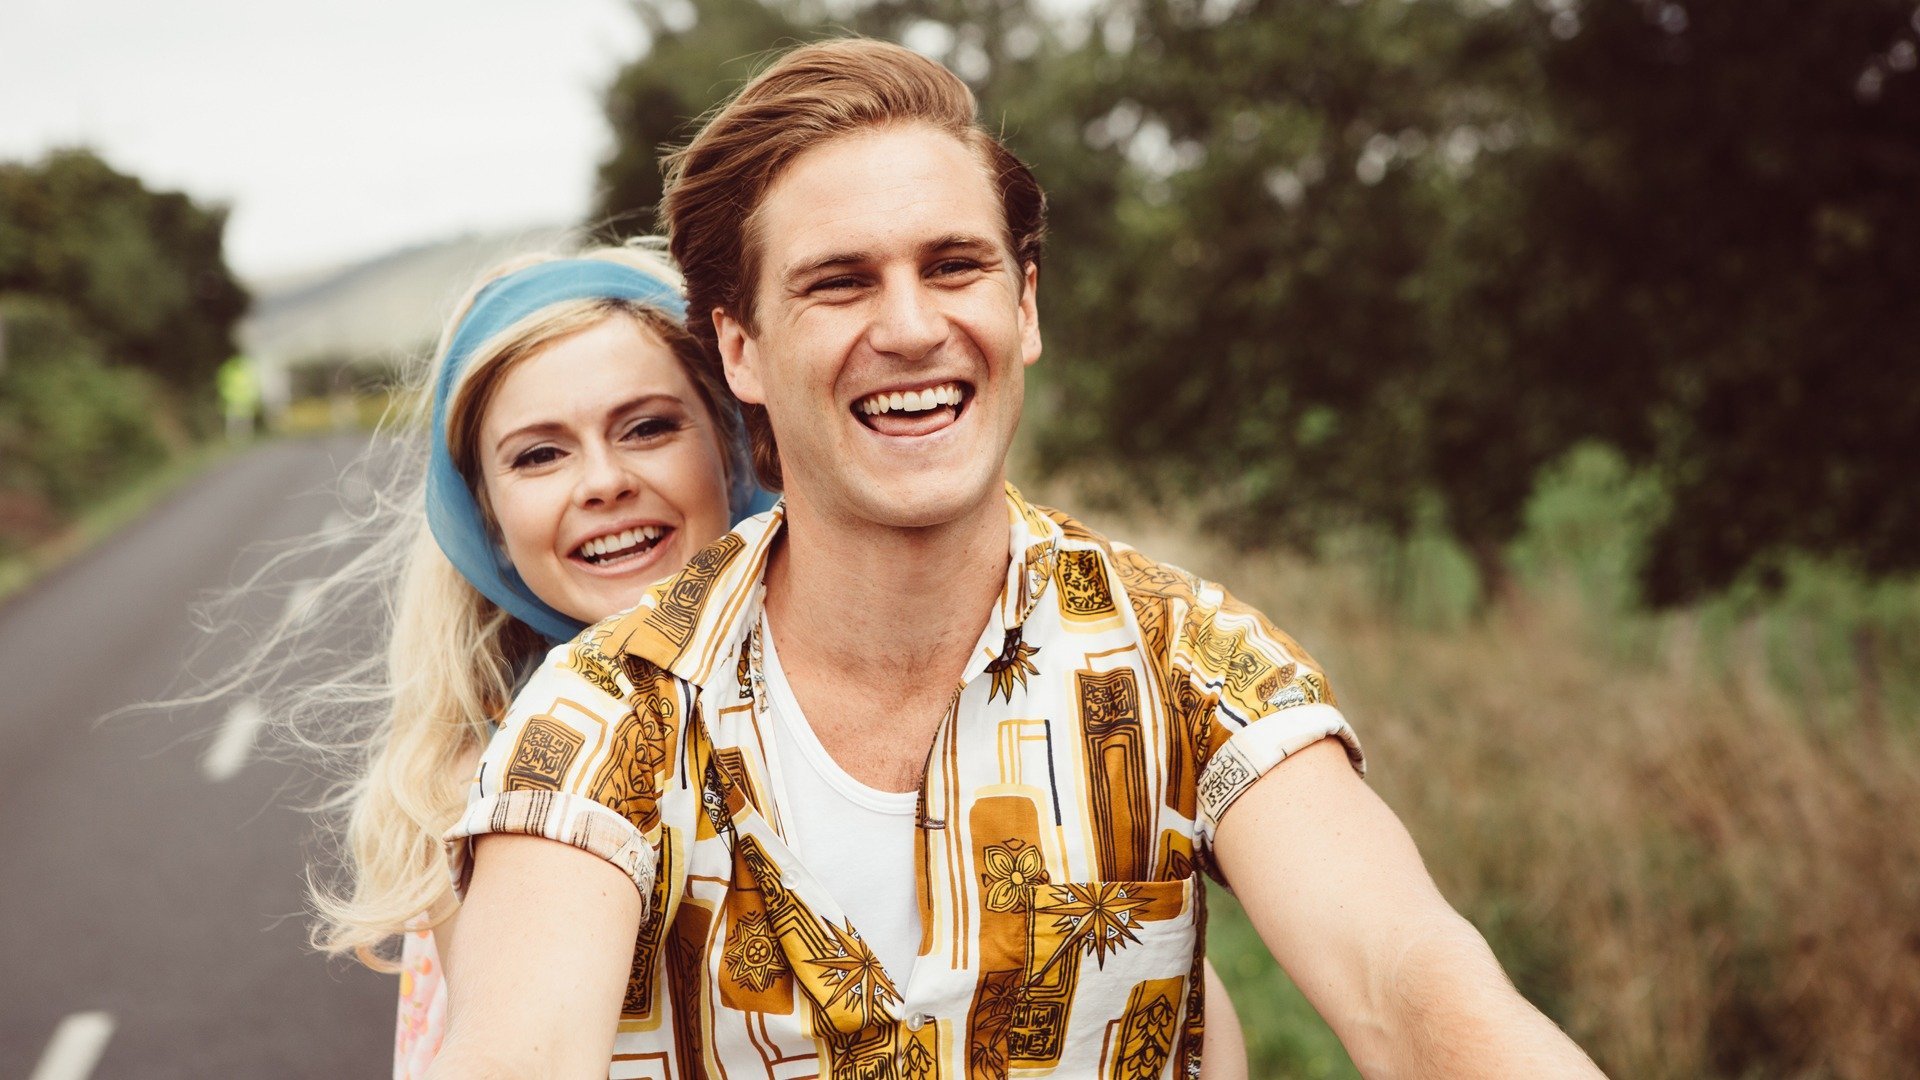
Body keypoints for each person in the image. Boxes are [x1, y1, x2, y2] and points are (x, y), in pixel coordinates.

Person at [428, 38, 1608, 1080]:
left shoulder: (1185, 657)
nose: (909, 327)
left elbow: (1408, 978)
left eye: (955, 266)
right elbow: (517, 1051)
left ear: (1025, 307)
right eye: (839, 283)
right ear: (739, 348)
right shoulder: (605, 714)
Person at [299, 240, 1247, 1077]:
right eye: (540, 455)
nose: (604, 483)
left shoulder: (948, 678)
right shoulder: (486, 786)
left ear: (733, 447)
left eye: (648, 427)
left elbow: (1169, 992)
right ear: (488, 520)